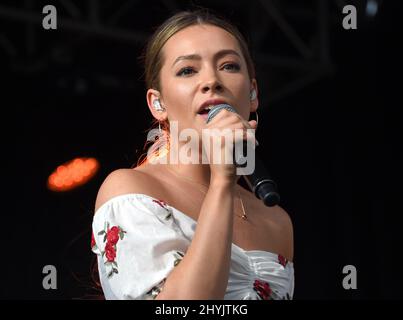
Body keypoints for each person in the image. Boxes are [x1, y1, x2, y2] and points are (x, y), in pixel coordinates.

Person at [90, 9, 294, 300]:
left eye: (229, 66)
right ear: (158, 103)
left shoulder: (276, 220)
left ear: (252, 94)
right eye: (188, 70)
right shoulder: (131, 191)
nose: (212, 80)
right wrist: (222, 183)